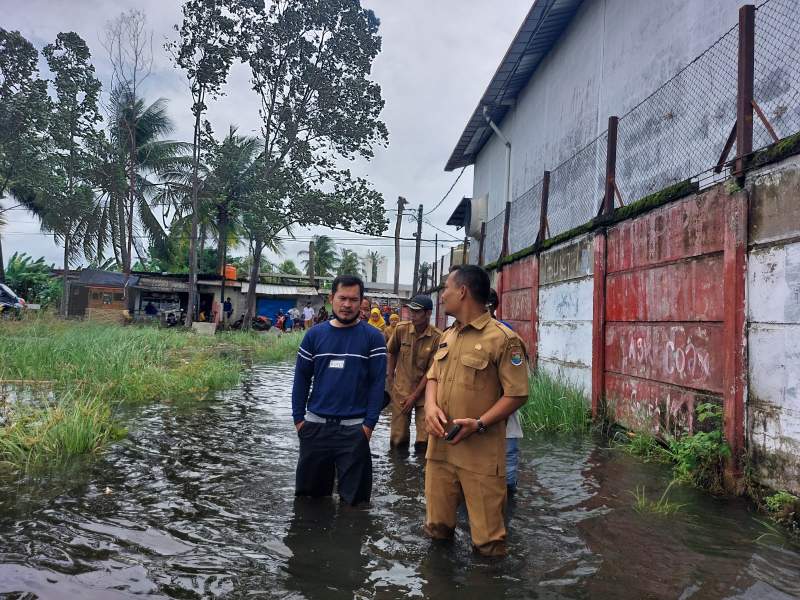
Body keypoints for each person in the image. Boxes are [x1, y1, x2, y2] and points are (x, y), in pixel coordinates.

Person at [423, 264, 529, 556]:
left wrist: (479, 423)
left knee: (488, 543)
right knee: (437, 530)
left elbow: (517, 394)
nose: (442, 295)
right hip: (440, 451)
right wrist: (430, 406)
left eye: (446, 288)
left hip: (481, 456)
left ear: (463, 291)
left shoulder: (503, 340)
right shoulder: (448, 335)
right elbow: (433, 376)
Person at [292, 274, 387, 506]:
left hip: (355, 430)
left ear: (362, 302)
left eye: (354, 299)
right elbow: (302, 379)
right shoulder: (314, 335)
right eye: (342, 298)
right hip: (315, 428)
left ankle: (348, 541)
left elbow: (377, 384)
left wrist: (368, 426)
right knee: (309, 502)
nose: (347, 305)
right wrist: (299, 420)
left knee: (355, 504)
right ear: (331, 298)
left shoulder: (373, 338)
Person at [386, 295, 441, 453]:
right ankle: (399, 472)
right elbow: (392, 352)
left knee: (425, 439)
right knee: (398, 438)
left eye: (417, 312)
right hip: (401, 391)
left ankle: (420, 473)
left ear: (428, 313)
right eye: (411, 311)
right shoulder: (401, 329)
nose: (413, 315)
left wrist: (414, 397)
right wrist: (390, 377)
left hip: (425, 395)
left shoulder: (437, 337)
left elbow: (432, 372)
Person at [487, 288, 524, 496]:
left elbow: (516, 383)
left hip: (503, 407)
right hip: (490, 410)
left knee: (507, 457)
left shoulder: (505, 334)